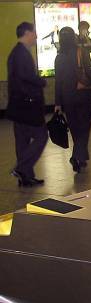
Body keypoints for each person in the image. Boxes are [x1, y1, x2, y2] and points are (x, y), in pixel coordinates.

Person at [54, 27, 91, 173]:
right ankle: (77, 156)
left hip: (67, 98)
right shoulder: (81, 52)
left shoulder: (59, 57)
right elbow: (90, 70)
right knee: (84, 126)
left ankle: (81, 158)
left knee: (75, 127)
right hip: (82, 94)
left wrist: (57, 103)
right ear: (74, 37)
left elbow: (58, 81)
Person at [6, 22, 47, 186]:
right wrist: (41, 81)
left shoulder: (16, 52)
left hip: (17, 105)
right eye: (34, 33)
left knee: (22, 140)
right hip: (27, 105)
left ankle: (26, 177)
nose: (36, 36)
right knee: (41, 136)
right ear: (28, 33)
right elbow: (26, 77)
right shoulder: (22, 54)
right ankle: (22, 168)